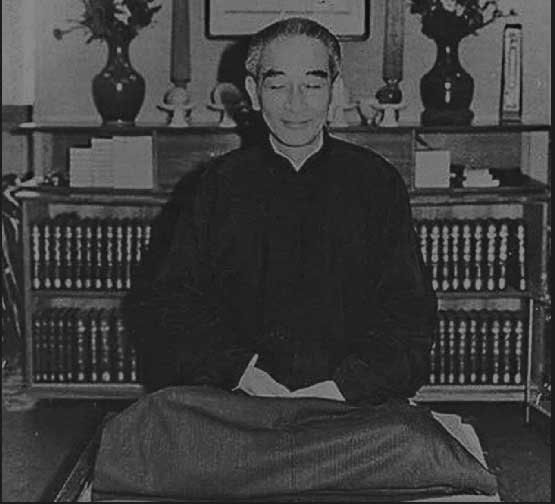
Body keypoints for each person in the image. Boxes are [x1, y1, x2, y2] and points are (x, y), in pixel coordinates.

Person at [127, 17, 438, 405]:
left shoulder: (376, 182)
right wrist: (241, 373)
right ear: (254, 93)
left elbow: (409, 318)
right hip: (239, 399)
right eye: (277, 85)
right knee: (137, 433)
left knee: (419, 443)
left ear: (335, 91)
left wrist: (342, 388)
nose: (296, 103)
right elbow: (172, 307)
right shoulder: (217, 185)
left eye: (312, 85)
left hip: (350, 405)